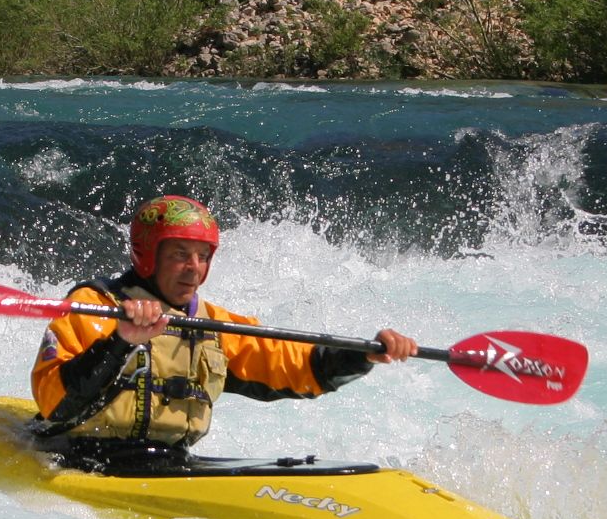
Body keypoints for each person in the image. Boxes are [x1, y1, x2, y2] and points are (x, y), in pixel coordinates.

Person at [30, 194, 417, 465]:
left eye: (202, 256)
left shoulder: (213, 324)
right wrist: (120, 342)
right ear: (148, 255)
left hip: (168, 463)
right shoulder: (94, 306)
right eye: (179, 254)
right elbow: (55, 402)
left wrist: (364, 354)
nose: (193, 267)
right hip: (80, 459)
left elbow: (296, 367)